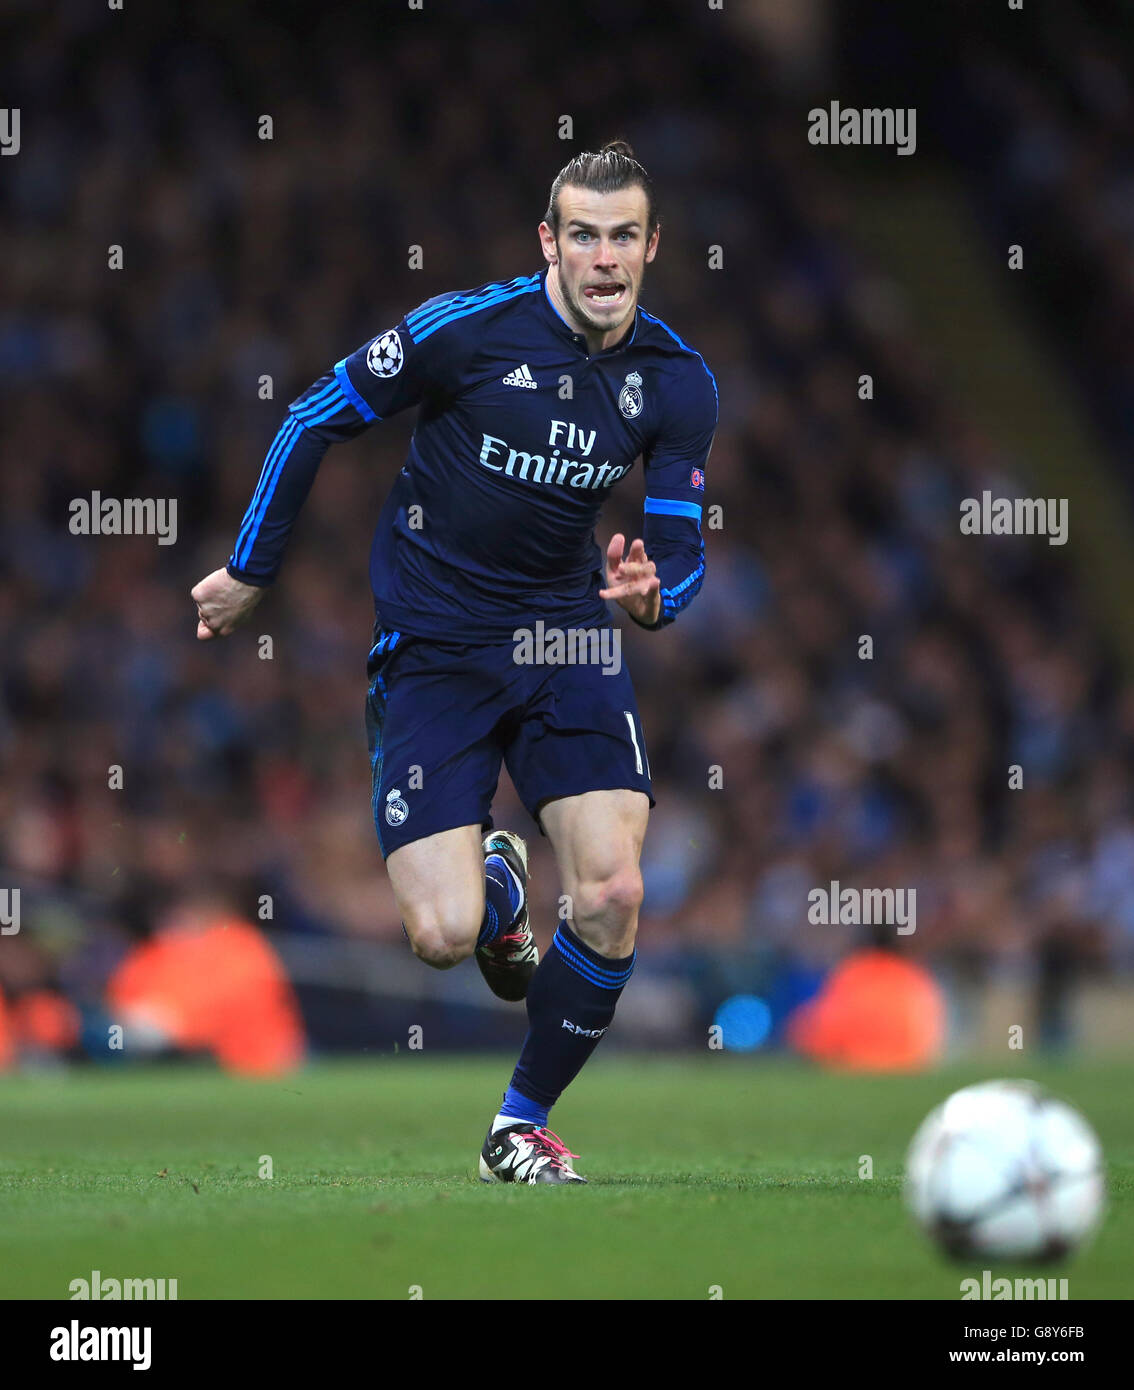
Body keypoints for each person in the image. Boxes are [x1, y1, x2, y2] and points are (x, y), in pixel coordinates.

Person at [191, 140, 717, 1183]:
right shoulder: (467, 331)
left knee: (612, 888)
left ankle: (518, 1123)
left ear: (651, 247)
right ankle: (493, 883)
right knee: (441, 935)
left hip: (565, 636)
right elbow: (311, 417)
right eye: (583, 235)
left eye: (623, 237)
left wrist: (660, 596)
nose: (603, 258)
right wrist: (252, 568)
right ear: (549, 243)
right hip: (435, 649)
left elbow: (683, 553)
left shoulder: (677, 382)